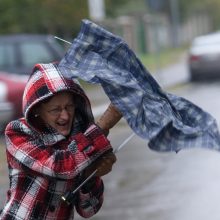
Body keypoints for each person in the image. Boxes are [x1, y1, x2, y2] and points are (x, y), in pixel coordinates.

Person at [0, 63, 122, 220]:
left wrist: (91, 176)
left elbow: (89, 210)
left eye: (69, 107)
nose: (65, 116)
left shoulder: (80, 139)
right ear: (37, 109)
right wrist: (104, 125)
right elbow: (59, 167)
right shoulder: (18, 132)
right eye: (55, 110)